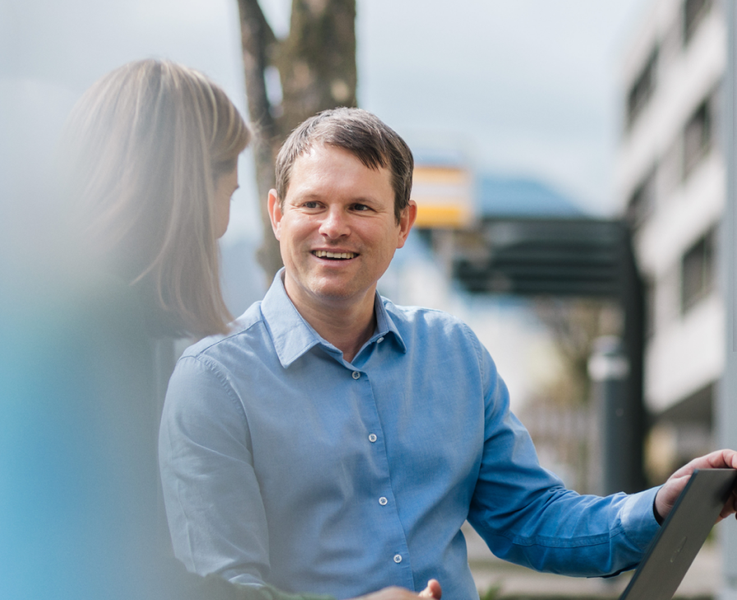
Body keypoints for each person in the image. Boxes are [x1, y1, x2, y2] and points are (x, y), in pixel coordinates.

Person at [157, 107, 737, 600]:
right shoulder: (215, 381)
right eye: (313, 205)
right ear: (277, 214)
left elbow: (532, 518)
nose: (333, 227)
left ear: (404, 223)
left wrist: (661, 508)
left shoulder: (453, 354)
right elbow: (217, 588)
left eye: (361, 207)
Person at [62, 63, 440, 600]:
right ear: (181, 188)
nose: (220, 226)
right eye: (227, 193)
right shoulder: (94, 330)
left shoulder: (71, 311)